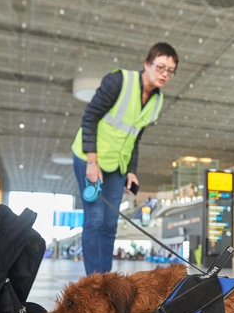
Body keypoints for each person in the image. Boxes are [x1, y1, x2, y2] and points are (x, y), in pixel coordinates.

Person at [71, 42, 178, 276]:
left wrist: (131, 170)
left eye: (170, 71)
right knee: (96, 220)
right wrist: (92, 162)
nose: (164, 74)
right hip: (89, 157)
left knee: (110, 224)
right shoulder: (119, 81)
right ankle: (93, 282)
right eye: (160, 67)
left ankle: (105, 279)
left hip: (117, 166)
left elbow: (134, 137)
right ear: (147, 64)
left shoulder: (156, 101)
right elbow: (89, 118)